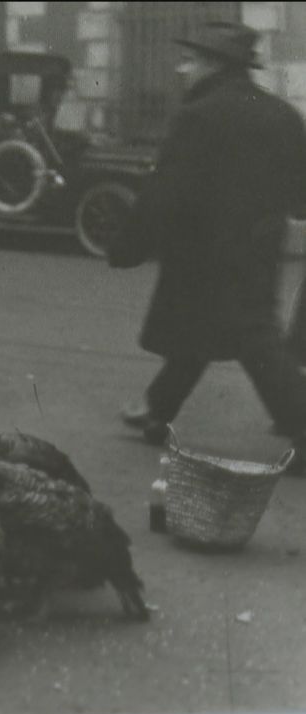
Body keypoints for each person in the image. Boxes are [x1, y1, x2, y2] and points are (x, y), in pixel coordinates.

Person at [110, 22, 306, 472]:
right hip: (259, 245)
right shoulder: (283, 114)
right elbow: (301, 194)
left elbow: (165, 190)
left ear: (214, 64)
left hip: (201, 249)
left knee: (249, 337)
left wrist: (128, 246)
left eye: (190, 61)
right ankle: (157, 408)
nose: (183, 70)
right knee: (205, 325)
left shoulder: (198, 115)